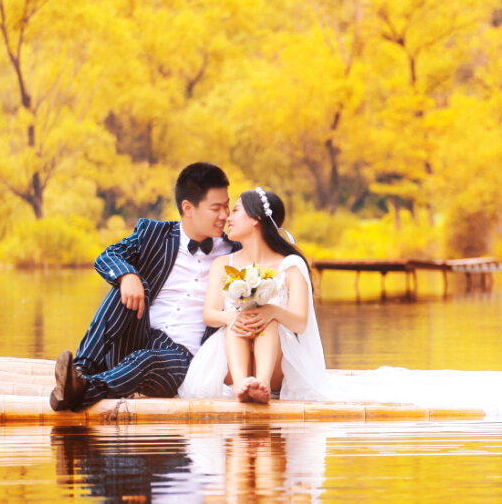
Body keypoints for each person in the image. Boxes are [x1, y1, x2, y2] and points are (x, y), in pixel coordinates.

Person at [50, 163, 240, 411]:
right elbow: (107, 257)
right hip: (137, 338)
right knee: (125, 286)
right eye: (216, 208)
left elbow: (273, 255)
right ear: (188, 208)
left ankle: (81, 391)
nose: (225, 215)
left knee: (145, 360)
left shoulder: (236, 253)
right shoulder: (153, 233)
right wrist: (127, 275)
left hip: (182, 360)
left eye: (227, 205)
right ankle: (80, 369)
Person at [178, 188, 328, 404]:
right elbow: (209, 314)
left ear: (256, 218)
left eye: (236, 211)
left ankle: (263, 384)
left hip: (276, 365)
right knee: (239, 319)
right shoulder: (223, 264)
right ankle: (241, 384)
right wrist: (232, 318)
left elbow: (300, 324)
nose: (228, 217)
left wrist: (272, 311)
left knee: (268, 320)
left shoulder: (291, 266)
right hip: (231, 361)